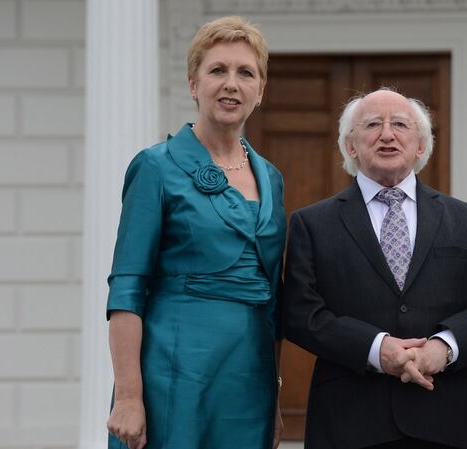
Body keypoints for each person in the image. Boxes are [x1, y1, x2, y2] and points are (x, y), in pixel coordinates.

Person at [282, 88, 467, 449]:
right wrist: (376, 348)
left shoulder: (465, 220)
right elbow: (299, 314)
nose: (387, 134)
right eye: (372, 124)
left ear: (420, 145)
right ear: (351, 146)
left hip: (446, 417)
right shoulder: (312, 223)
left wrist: (442, 348)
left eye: (400, 124)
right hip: (349, 421)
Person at [104, 16, 285, 449]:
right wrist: (129, 395)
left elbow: (274, 297)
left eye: (246, 73)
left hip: (249, 376)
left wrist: (275, 398)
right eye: (217, 70)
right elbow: (127, 288)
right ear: (193, 83)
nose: (231, 84)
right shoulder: (155, 167)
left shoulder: (272, 177)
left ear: (259, 91)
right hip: (175, 370)